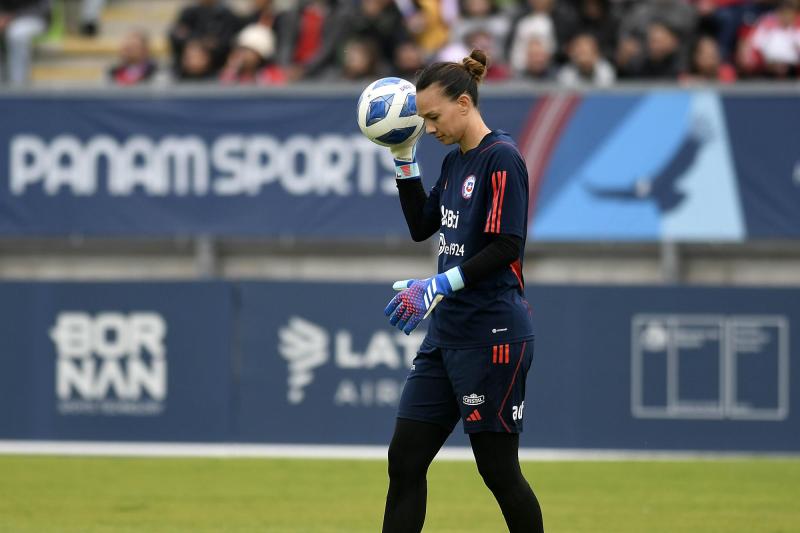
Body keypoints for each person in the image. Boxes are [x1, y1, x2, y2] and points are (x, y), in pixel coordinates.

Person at [381, 49, 543, 533]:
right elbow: (421, 226)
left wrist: (439, 283)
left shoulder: (502, 159)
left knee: (497, 470)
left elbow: (506, 244)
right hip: (447, 333)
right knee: (404, 460)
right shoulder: (455, 164)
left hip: (493, 333)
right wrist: (403, 157)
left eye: (432, 116)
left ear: (465, 104)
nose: (428, 127)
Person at [0, 0, 50, 86]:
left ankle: (18, 84)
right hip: (8, 20)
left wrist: (10, 17)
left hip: (34, 18)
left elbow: (43, 9)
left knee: (17, 34)